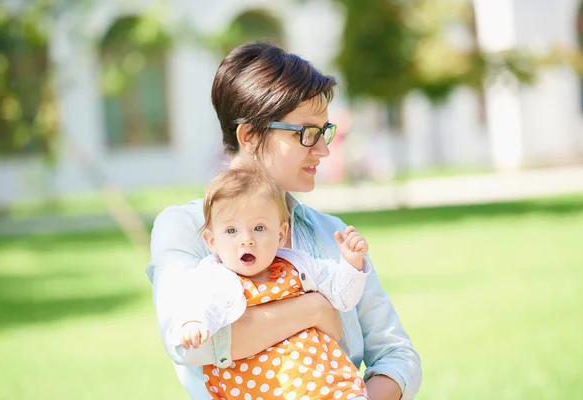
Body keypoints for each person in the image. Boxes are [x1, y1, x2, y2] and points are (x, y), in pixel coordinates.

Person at [147, 41, 422, 400]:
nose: (323, 149)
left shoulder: (333, 234)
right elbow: (190, 346)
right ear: (250, 136)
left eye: (325, 132)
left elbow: (397, 355)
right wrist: (313, 309)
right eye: (307, 133)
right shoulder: (185, 228)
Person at [181, 165, 371, 399]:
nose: (246, 240)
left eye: (259, 228)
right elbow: (200, 302)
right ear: (211, 240)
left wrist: (351, 265)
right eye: (231, 230)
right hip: (258, 388)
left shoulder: (298, 265)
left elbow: (343, 297)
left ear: (280, 235)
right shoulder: (215, 276)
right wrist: (194, 322)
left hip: (325, 382)